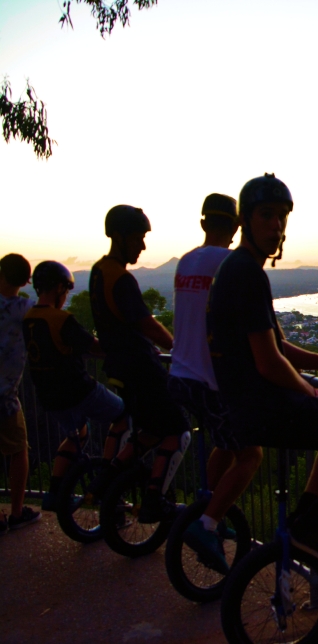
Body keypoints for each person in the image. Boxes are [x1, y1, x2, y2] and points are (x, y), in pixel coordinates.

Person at [207, 174, 318, 571]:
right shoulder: (247, 273)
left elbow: (276, 347)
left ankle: (309, 515)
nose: (276, 225)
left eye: (282, 217)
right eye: (266, 215)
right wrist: (309, 392)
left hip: (249, 406)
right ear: (246, 221)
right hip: (264, 409)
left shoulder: (237, 268)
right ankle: (317, 522)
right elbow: (269, 362)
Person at [167, 194, 263, 572]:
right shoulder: (231, 264)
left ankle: (204, 507)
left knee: (225, 442)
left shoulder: (186, 261)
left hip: (179, 376)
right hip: (212, 381)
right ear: (238, 228)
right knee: (251, 454)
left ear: (204, 223)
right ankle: (207, 523)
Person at [89, 205, 191, 523]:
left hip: (118, 367)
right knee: (179, 429)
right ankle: (154, 498)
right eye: (138, 238)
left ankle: (107, 478)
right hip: (139, 367)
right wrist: (180, 349)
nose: (142, 246)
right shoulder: (121, 279)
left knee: (150, 429)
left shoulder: (97, 272)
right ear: (119, 237)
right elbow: (147, 325)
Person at [22, 261, 130, 512]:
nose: (66, 296)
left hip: (49, 396)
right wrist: (125, 352)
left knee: (77, 434)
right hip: (78, 390)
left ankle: (54, 492)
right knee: (123, 415)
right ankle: (107, 479)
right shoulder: (60, 319)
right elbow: (94, 346)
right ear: (59, 287)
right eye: (66, 291)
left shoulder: (29, 318)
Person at [0, 253, 41, 532]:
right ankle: (16, 513)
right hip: (5, 396)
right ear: (26, 281)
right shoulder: (26, 309)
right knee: (18, 451)